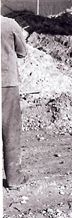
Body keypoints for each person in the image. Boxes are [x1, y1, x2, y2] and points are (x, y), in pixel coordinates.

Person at [2, 16, 28, 189]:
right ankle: (13, 178)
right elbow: (22, 52)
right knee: (10, 129)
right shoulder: (10, 24)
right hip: (6, 82)